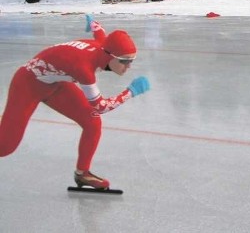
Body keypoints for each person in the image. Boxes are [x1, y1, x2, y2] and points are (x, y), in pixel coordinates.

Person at [0, 15, 150, 189]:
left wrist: (93, 23)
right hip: (28, 84)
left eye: (132, 61)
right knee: (5, 147)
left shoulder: (104, 46)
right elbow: (101, 106)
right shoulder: (84, 69)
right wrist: (130, 92)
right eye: (125, 61)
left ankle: (82, 174)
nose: (129, 66)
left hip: (55, 83)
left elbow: (100, 33)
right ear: (111, 56)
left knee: (92, 122)